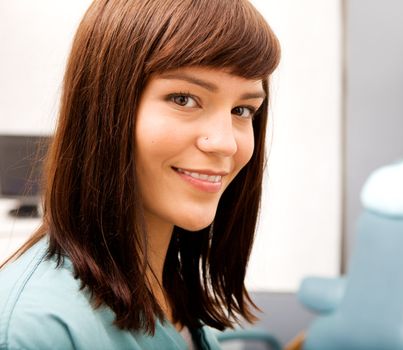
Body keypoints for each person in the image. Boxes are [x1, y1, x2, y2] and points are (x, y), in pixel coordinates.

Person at [0, 0, 280, 349]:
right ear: (104, 106)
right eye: (183, 99)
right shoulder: (37, 329)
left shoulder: (168, 291)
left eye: (242, 110)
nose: (225, 143)